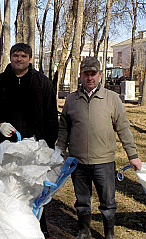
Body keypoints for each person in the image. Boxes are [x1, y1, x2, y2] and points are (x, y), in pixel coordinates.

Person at [56, 57, 142, 239]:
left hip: (104, 162)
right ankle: (84, 231)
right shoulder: (72, 99)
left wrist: (132, 154)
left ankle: (109, 234)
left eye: (93, 74)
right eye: (86, 74)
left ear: (100, 75)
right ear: (80, 76)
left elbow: (123, 127)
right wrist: (61, 150)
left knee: (108, 203)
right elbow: (64, 127)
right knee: (82, 201)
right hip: (78, 162)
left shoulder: (112, 99)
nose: (89, 78)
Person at [0, 43, 58, 239]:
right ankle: (5, 228)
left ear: (30, 59)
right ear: (10, 57)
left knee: (34, 189)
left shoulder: (42, 83)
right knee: (6, 189)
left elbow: (51, 116)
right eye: (16, 55)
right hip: (6, 148)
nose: (19, 59)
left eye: (23, 56)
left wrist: (49, 146)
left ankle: (40, 228)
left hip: (35, 148)